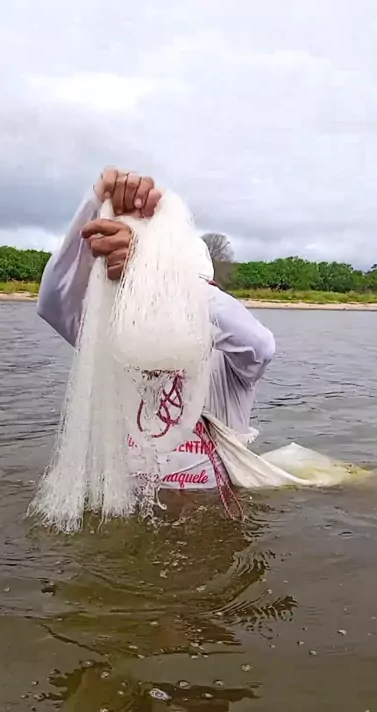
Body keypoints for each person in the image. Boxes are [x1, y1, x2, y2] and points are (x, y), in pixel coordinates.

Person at [37, 168, 275, 493]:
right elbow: (52, 301)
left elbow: (260, 344)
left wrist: (153, 272)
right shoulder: (117, 338)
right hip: (130, 502)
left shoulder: (232, 362)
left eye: (169, 294)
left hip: (208, 501)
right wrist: (97, 203)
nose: (158, 302)